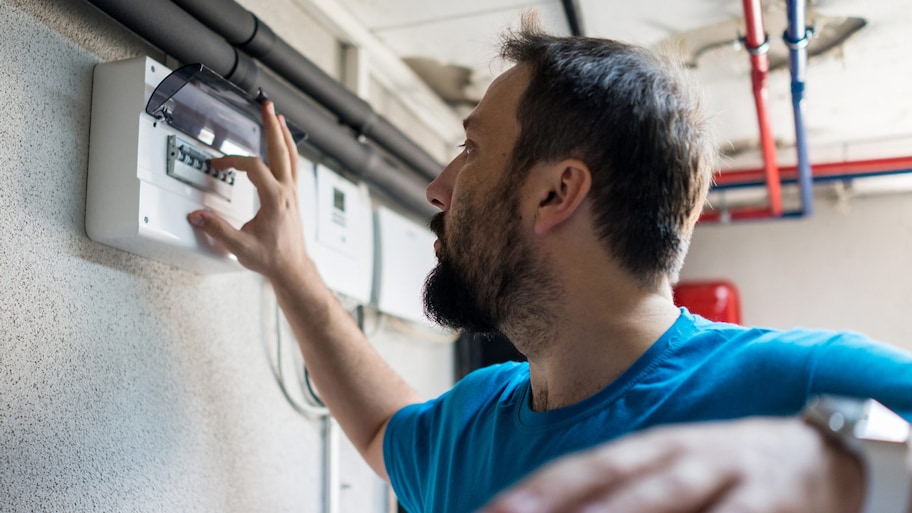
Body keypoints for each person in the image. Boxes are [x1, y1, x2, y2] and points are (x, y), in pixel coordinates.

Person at [187, 15, 912, 513]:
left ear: (557, 191)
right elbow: (383, 430)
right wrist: (290, 267)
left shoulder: (803, 389)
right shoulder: (478, 421)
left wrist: (854, 471)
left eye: (471, 149)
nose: (439, 185)